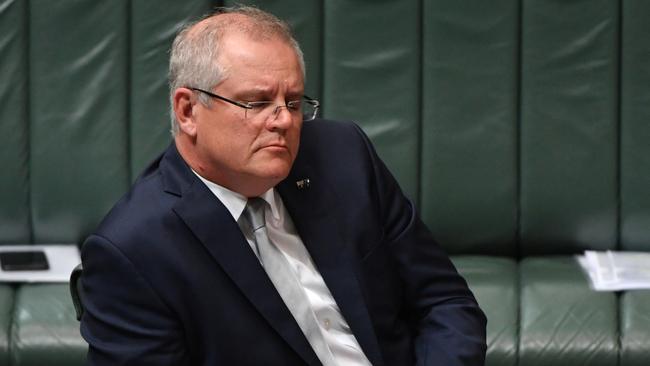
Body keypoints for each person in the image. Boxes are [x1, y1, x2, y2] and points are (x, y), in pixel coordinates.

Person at [79, 6, 486, 366]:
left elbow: (446, 303)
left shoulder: (343, 155)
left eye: (292, 102)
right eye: (257, 103)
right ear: (188, 110)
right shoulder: (133, 251)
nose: (285, 121)